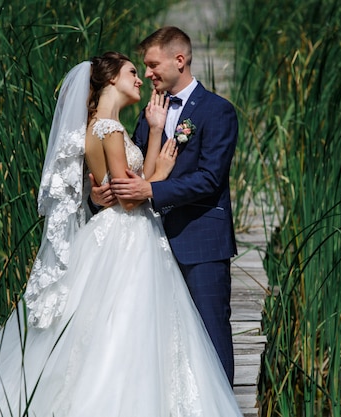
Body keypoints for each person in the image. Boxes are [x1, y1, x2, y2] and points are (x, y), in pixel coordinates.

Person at [0, 52, 242, 416]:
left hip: (114, 232)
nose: (140, 78)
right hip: (129, 234)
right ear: (111, 80)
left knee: (109, 322)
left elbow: (119, 187)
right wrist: (162, 171)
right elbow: (131, 198)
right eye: (132, 72)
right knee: (128, 323)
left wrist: (155, 133)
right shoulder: (109, 130)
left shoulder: (96, 127)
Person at [91, 27, 238, 384]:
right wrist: (100, 195)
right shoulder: (148, 115)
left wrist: (151, 191)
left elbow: (209, 179)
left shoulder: (218, 111)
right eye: (143, 67)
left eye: (154, 65)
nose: (149, 73)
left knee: (210, 329)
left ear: (180, 60)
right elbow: (133, 168)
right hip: (146, 243)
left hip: (200, 239)